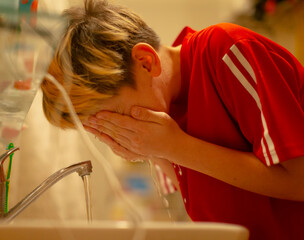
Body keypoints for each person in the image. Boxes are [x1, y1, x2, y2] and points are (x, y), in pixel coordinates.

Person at [40, 0, 304, 239]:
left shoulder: (226, 51)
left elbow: (298, 181)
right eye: (101, 130)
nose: (118, 131)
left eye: (117, 116)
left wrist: (174, 147)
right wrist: (156, 151)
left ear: (145, 63)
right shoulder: (164, 118)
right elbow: (198, 213)